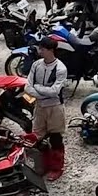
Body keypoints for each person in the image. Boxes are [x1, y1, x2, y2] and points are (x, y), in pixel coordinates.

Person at [26, 37, 68, 181]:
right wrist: (43, 93)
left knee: (56, 138)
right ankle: (43, 164)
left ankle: (57, 167)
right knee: (37, 137)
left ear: (50, 50)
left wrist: (37, 88)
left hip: (55, 107)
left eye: (42, 49)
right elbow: (27, 86)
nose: (40, 51)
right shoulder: (36, 64)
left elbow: (55, 91)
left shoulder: (60, 68)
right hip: (40, 106)